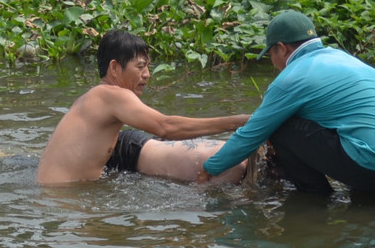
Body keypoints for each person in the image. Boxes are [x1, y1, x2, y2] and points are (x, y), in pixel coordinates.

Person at [196, 11, 375, 195]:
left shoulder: (292, 77)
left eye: (270, 54)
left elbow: (251, 134)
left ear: (281, 47)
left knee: (281, 125)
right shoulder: (341, 58)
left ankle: (314, 197)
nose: (273, 62)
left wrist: (208, 171)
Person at [37, 30, 251, 184]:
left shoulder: (93, 96)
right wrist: (237, 122)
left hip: (55, 195)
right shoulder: (112, 96)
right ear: (114, 67)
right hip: (65, 199)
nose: (147, 74)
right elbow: (166, 127)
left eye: (148, 67)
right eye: (140, 67)